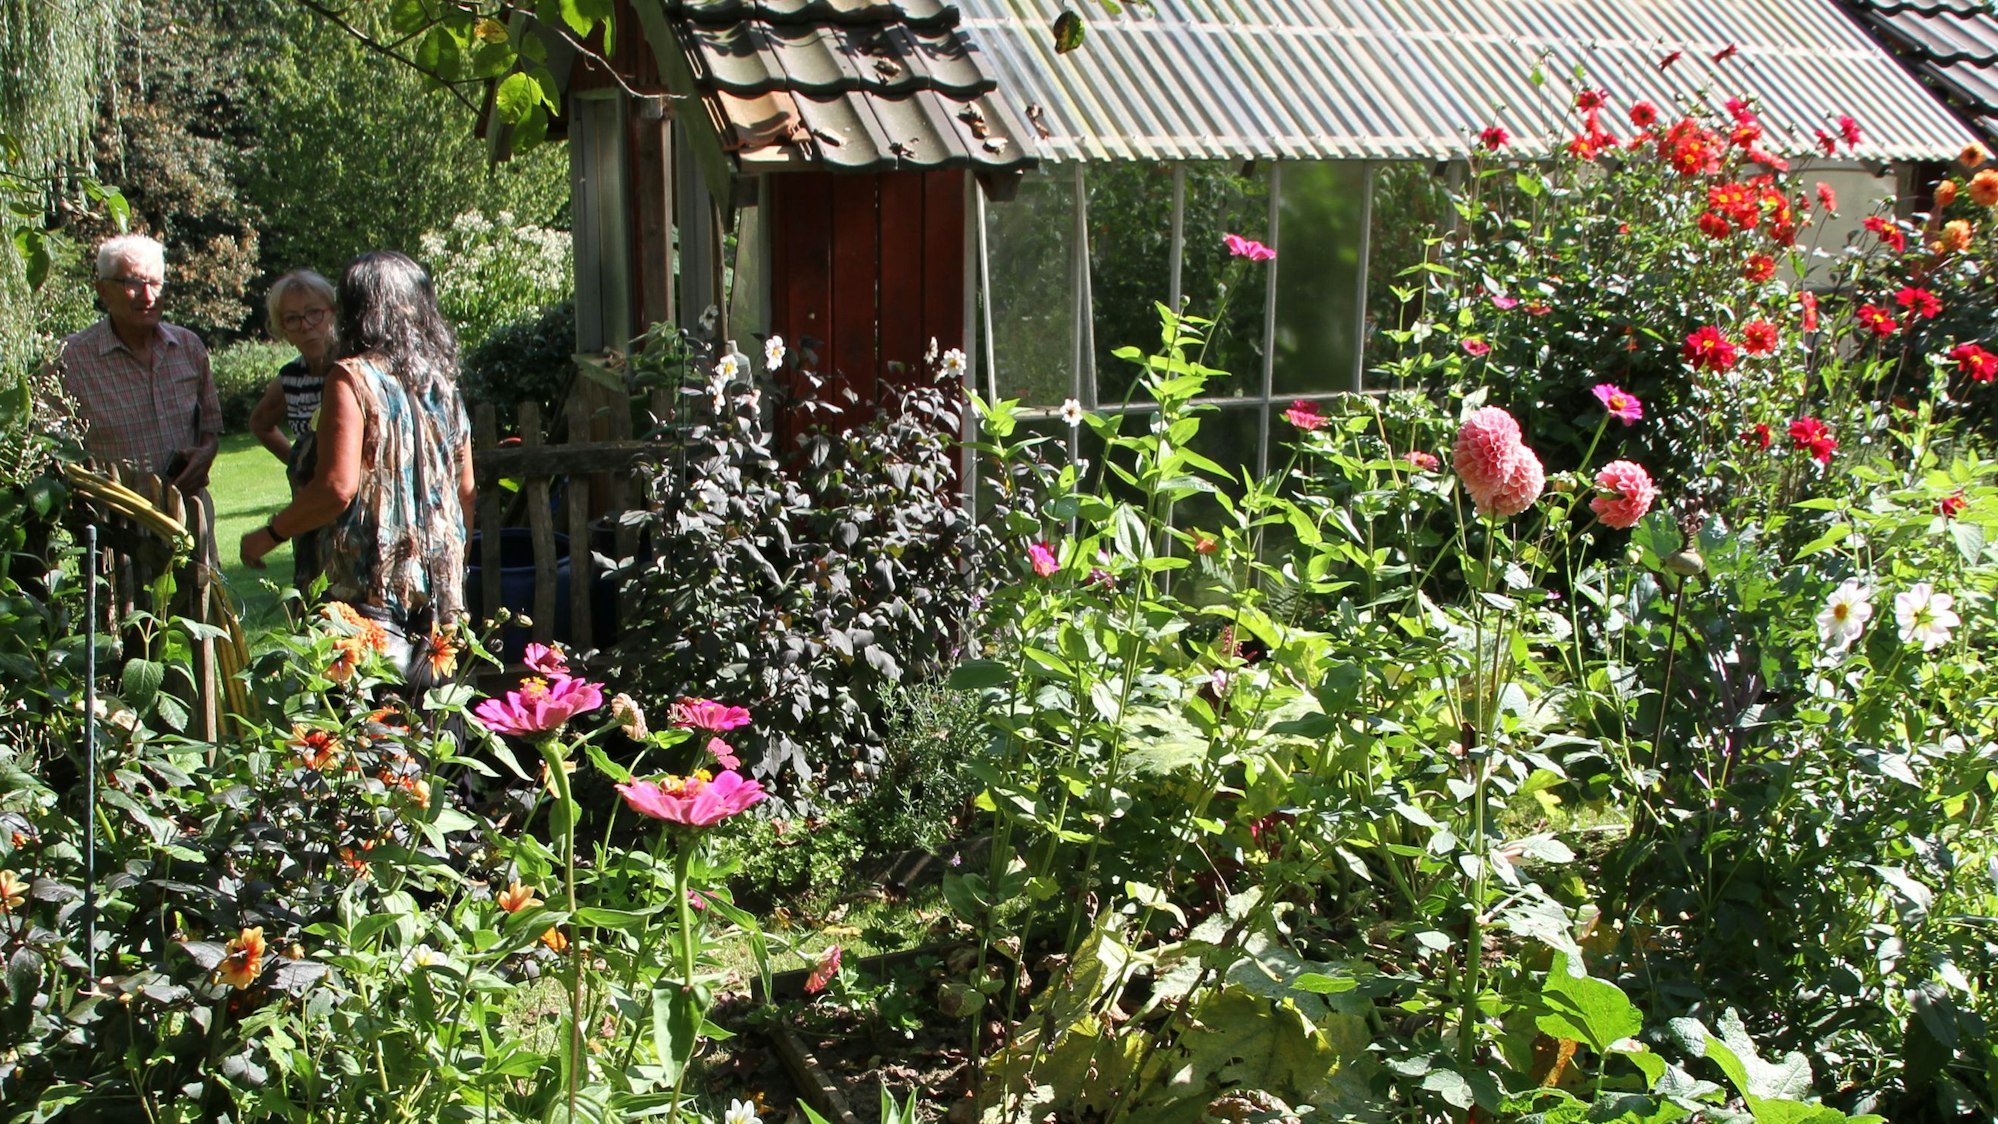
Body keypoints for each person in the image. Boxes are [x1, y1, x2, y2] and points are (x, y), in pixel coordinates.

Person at [240, 251, 476, 680]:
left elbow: (335, 488)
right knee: (434, 720)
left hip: (369, 585)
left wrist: (267, 534)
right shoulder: (441, 382)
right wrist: (453, 558)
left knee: (367, 727)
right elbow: (465, 491)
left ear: (353, 310)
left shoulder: (350, 377)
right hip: (439, 584)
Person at [53, 233, 222, 557]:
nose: (148, 295)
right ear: (103, 290)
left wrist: (206, 454)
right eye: (133, 283)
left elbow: (210, 429)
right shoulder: (71, 359)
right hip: (118, 535)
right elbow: (51, 449)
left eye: (155, 283)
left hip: (189, 518)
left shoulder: (188, 347)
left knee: (203, 604)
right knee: (122, 609)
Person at [246, 269, 338, 589]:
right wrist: (297, 461)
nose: (307, 326)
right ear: (282, 328)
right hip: (308, 508)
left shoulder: (351, 369)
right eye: (293, 318)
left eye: (315, 313)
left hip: (350, 516)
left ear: (333, 313)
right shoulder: (291, 378)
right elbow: (260, 423)